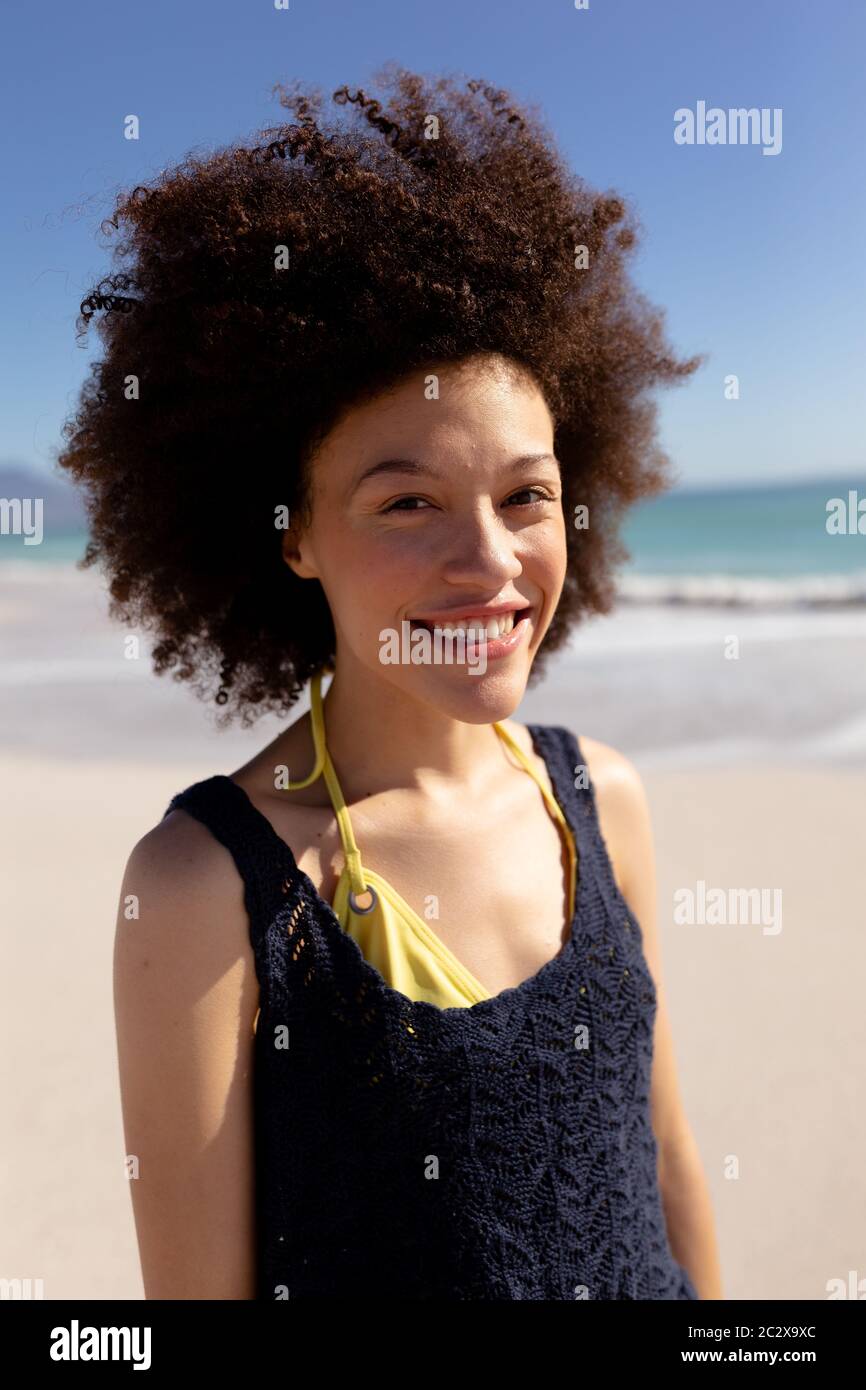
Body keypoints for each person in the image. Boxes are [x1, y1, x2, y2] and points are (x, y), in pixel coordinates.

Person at [58, 65, 722, 1299]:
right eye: (405, 502)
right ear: (291, 536)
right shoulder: (210, 885)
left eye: (524, 495)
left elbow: (669, 1161)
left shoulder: (601, 800)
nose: (488, 563)